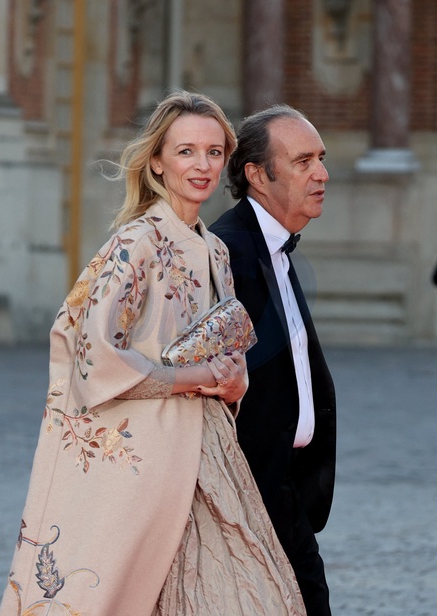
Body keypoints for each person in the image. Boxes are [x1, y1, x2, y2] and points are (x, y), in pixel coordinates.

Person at [0, 91, 307, 616]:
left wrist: (235, 382)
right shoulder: (134, 243)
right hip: (141, 461)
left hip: (208, 457)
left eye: (214, 152)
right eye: (186, 151)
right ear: (158, 162)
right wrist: (193, 376)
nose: (202, 165)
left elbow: (226, 354)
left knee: (249, 595)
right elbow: (90, 354)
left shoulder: (216, 250)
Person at [210, 104, 337, 616]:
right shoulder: (227, 252)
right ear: (258, 175)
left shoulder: (275, 247)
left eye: (321, 159)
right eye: (303, 161)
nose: (321, 173)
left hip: (284, 485)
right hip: (248, 492)